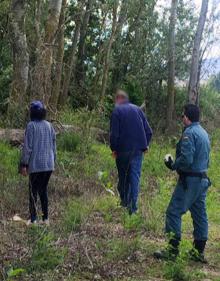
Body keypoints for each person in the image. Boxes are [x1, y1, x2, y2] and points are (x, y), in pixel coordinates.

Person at [154, 104, 211, 263]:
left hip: (190, 181)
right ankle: (198, 252)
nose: (181, 118)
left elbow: (186, 159)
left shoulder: (189, 133)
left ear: (187, 117)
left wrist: (173, 165)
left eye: (182, 115)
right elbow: (207, 159)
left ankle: (172, 251)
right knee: (200, 215)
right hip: (202, 180)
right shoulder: (204, 133)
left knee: (173, 211)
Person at [110, 90, 152, 215]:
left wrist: (114, 149)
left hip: (122, 151)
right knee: (134, 178)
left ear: (118, 100)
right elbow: (149, 132)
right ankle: (133, 209)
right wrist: (145, 145)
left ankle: (125, 202)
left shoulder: (117, 111)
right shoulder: (138, 110)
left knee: (123, 178)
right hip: (138, 150)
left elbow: (114, 135)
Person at [20, 101, 56, 225]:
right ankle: (46, 219)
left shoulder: (31, 126)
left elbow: (27, 147)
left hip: (36, 165)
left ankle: (34, 219)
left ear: (32, 113)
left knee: (33, 191)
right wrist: (53, 161)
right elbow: (54, 146)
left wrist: (24, 164)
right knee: (43, 190)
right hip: (48, 165)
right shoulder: (49, 126)